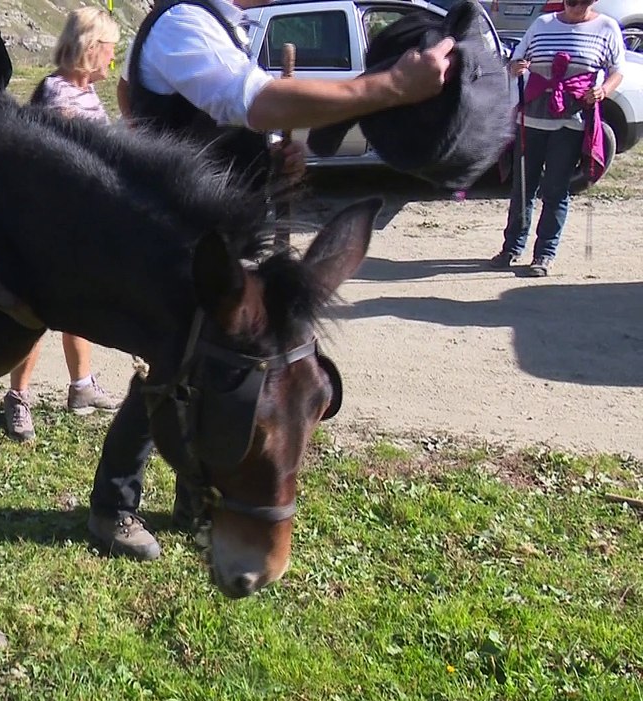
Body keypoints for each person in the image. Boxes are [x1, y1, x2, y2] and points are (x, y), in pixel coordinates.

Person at [87, 0, 457, 559]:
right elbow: (254, 102)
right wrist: (393, 87)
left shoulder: (222, 27)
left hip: (216, 236)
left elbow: (214, 117)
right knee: (167, 372)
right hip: (180, 243)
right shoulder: (181, 24)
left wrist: (271, 161)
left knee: (202, 374)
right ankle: (112, 507)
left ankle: (194, 497)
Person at [2, 7, 123, 443]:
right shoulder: (60, 98)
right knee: (38, 315)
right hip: (52, 229)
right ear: (92, 48)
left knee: (76, 309)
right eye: (110, 47)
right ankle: (18, 397)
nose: (114, 56)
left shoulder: (80, 92)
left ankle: (81, 387)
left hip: (77, 226)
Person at [490, 0, 624, 277]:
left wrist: (602, 91)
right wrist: (516, 67)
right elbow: (517, 59)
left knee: (555, 190)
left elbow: (617, 70)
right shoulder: (543, 24)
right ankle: (512, 248)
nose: (575, 6)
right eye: (570, 1)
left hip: (571, 123)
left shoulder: (606, 27)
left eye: (582, 2)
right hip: (532, 118)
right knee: (523, 187)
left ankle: (544, 255)